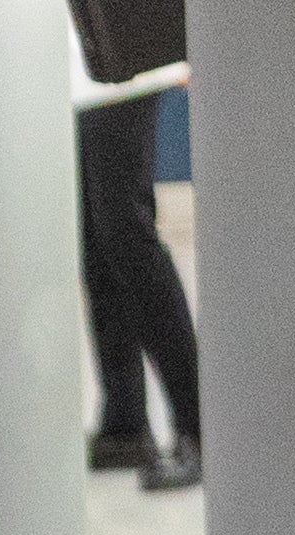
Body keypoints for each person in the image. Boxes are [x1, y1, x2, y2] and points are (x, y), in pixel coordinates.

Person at [76, 38, 201, 494]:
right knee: (96, 235)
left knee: (125, 232)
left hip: (123, 49)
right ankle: (125, 422)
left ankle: (200, 427)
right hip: (84, 54)